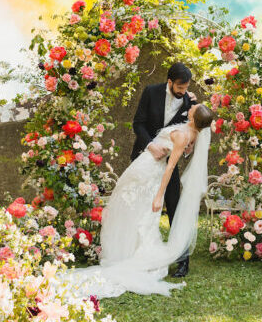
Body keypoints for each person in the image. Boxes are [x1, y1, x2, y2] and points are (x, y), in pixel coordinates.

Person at [63, 104, 214, 298]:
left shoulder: (184, 135)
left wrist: (159, 196)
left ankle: (132, 254)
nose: (192, 106)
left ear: (194, 118)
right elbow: (187, 144)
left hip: (148, 172)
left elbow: (170, 168)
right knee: (127, 207)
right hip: (144, 166)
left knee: (138, 211)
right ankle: (126, 250)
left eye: (195, 107)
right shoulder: (192, 131)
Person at [130, 62, 197, 278]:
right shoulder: (151, 92)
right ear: (170, 82)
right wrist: (151, 146)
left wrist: (187, 148)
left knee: (175, 207)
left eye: (186, 88)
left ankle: (182, 260)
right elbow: (138, 123)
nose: (183, 92)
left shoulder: (189, 102)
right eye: (179, 88)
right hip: (145, 158)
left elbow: (189, 136)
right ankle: (135, 254)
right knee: (140, 208)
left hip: (170, 164)